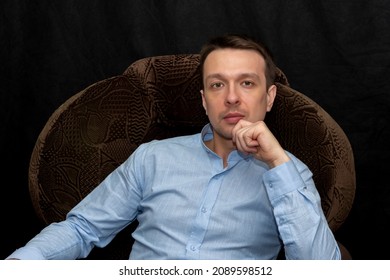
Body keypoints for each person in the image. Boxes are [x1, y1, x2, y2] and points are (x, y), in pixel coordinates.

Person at [7, 34, 341, 260]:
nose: (232, 97)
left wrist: (277, 163)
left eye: (247, 83)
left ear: (269, 98)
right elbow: (82, 228)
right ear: (204, 100)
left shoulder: (290, 172)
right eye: (217, 84)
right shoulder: (152, 157)